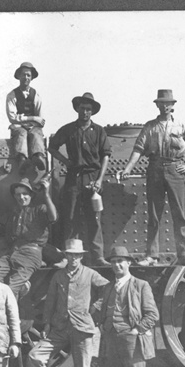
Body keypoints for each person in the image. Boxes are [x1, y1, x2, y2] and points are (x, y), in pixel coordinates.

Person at [23, 239, 109, 367]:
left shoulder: (90, 274)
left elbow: (109, 288)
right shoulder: (59, 276)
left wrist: (95, 307)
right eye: (70, 255)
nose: (73, 258)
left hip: (82, 329)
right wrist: (46, 323)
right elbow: (51, 301)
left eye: (77, 255)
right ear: (66, 256)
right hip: (60, 328)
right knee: (35, 356)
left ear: (81, 256)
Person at [117, 89, 185, 266]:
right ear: (157, 105)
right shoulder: (150, 127)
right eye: (161, 103)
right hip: (155, 169)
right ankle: (151, 256)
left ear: (173, 106)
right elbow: (138, 150)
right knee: (154, 214)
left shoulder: (181, 126)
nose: (165, 106)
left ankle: (183, 255)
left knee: (179, 214)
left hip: (175, 169)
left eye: (168, 103)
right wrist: (127, 169)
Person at [94, 246, 159, 367]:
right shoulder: (108, 287)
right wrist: (103, 327)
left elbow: (152, 314)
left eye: (120, 261)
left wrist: (136, 330)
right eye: (113, 262)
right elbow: (103, 311)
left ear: (128, 263)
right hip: (112, 340)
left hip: (133, 340)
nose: (117, 265)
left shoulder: (141, 285)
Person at [49, 92, 112, 266]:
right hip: (73, 178)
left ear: (92, 112)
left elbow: (105, 155)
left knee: (94, 219)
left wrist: (99, 180)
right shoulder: (68, 129)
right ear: (77, 109)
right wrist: (66, 161)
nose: (85, 112)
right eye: (82, 109)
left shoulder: (99, 131)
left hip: (93, 179)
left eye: (89, 110)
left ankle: (98, 257)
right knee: (71, 217)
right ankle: (69, 258)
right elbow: (52, 147)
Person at [0, 176, 57, 306]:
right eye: (18, 194)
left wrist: (46, 194)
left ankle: (9, 320)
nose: (21, 197)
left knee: (13, 285)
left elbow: (53, 217)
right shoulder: (13, 213)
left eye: (25, 194)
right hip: (11, 253)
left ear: (31, 195)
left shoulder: (39, 209)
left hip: (31, 254)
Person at [5, 62, 46, 173]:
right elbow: (12, 117)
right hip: (19, 126)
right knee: (21, 133)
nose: (26, 78)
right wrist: (31, 119)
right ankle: (22, 160)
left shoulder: (36, 95)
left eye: (28, 75)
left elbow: (40, 118)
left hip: (33, 126)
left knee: (36, 133)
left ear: (31, 77)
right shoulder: (12, 95)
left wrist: (35, 122)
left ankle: (38, 157)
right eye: (23, 75)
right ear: (19, 76)